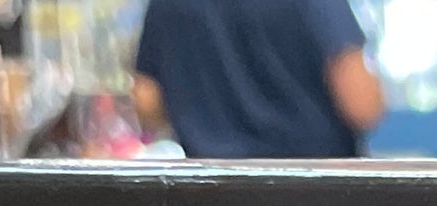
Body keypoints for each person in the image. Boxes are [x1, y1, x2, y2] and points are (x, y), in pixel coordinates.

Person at [131, 0, 384, 159]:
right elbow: (362, 106)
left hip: (211, 202)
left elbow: (147, 103)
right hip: (314, 198)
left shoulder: (166, 4)